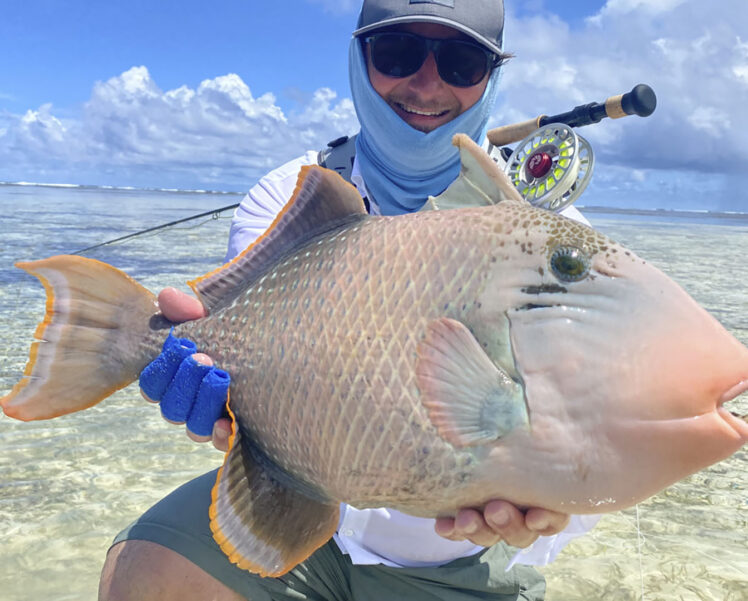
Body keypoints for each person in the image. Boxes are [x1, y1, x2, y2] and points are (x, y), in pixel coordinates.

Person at [99, 1, 595, 599]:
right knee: (145, 573)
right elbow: (263, 347)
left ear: (493, 75)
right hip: (299, 515)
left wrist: (553, 503)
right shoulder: (292, 192)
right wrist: (232, 405)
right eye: (398, 53)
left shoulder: (554, 239)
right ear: (359, 58)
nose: (428, 82)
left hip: (459, 557)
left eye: (462, 62)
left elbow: (583, 417)